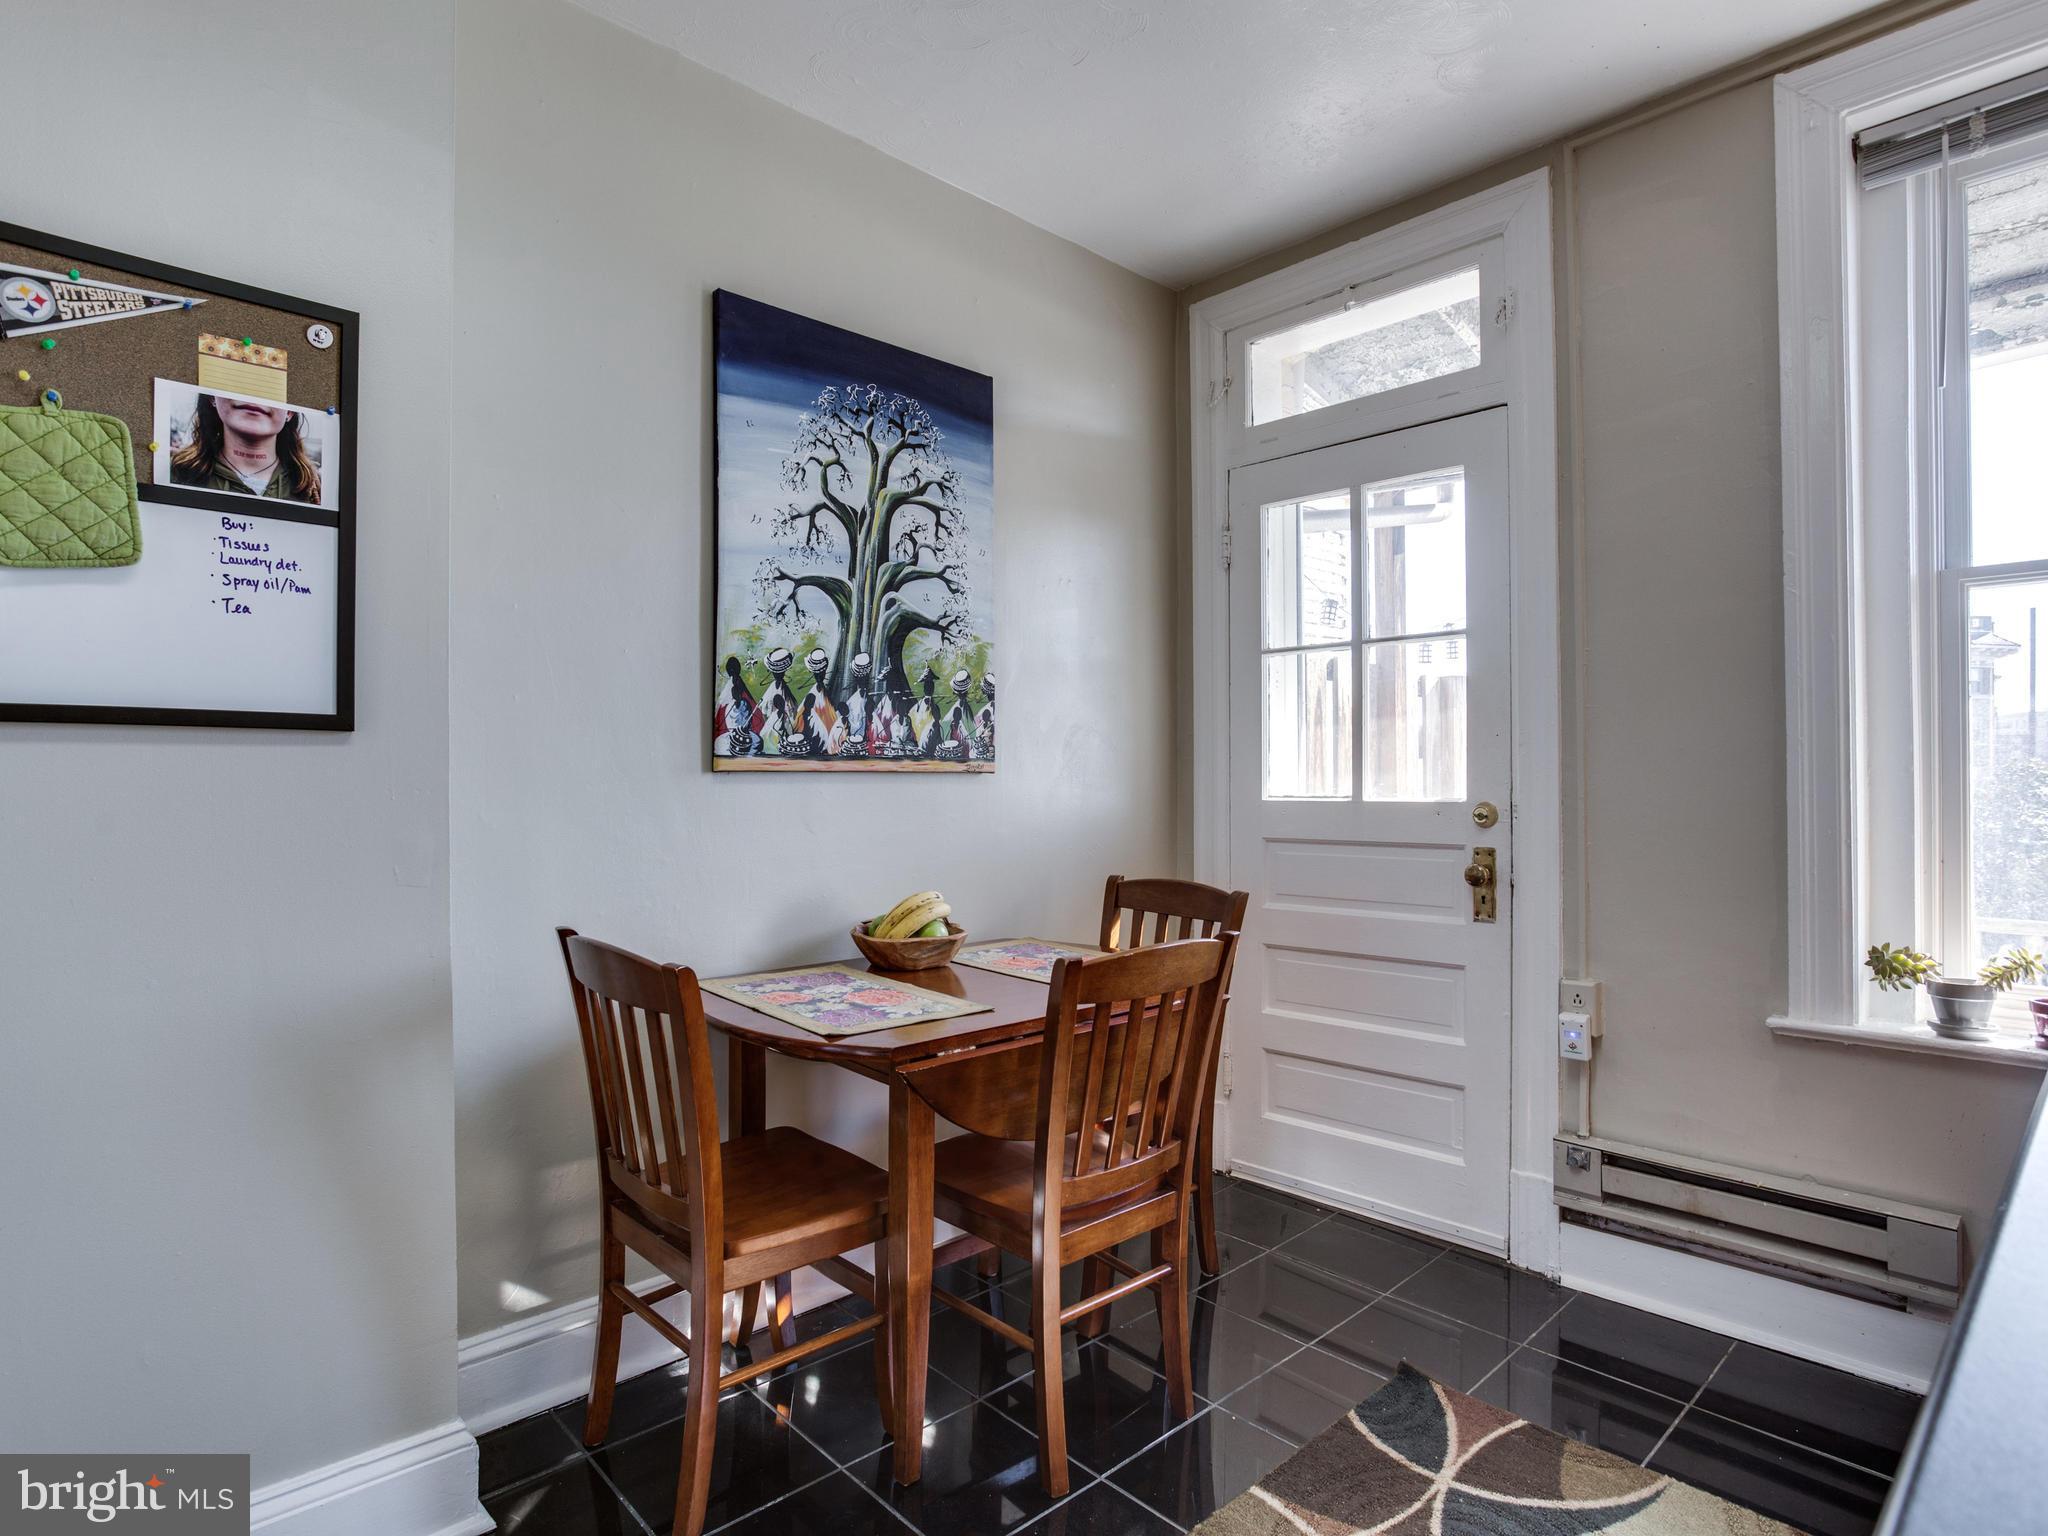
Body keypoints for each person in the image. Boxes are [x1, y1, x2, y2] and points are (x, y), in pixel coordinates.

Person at [169, 391, 322, 503]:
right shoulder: (175, 473)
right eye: (237, 382)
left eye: (271, 388)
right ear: (212, 398)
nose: (253, 395)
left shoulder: (316, 490)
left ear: (290, 412)